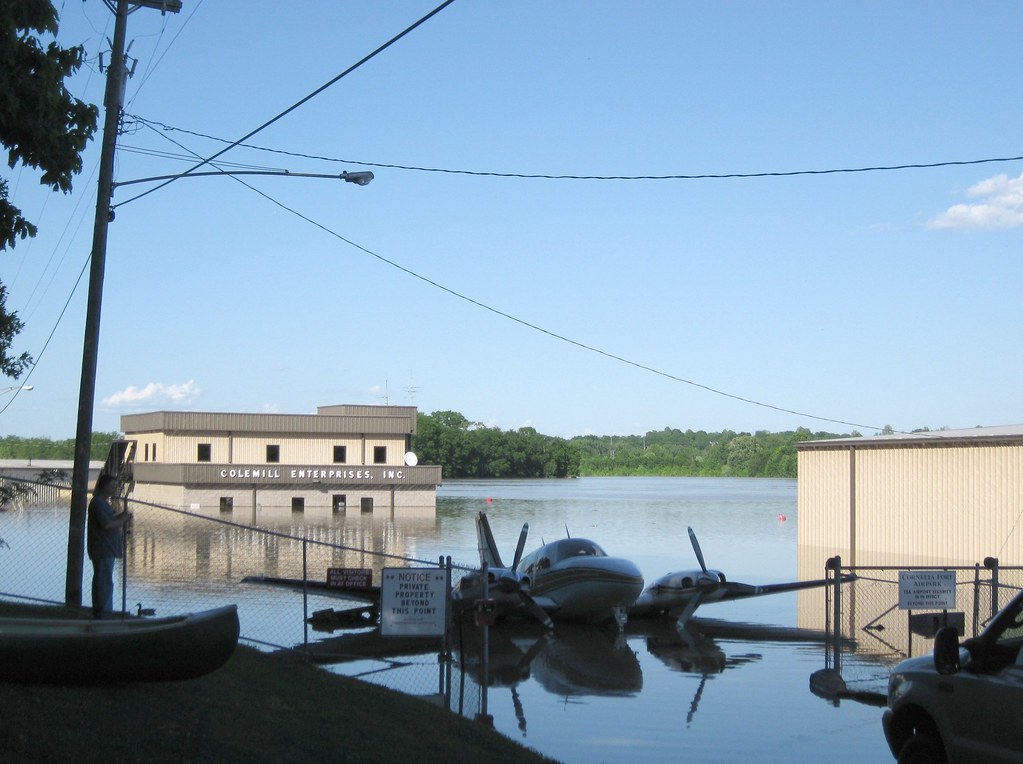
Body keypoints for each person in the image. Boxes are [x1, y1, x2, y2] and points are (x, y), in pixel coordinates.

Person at [87, 474, 132, 618]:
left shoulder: (102, 503)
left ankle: (102, 611)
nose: (115, 489)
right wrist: (123, 519)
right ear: (105, 486)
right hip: (103, 548)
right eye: (113, 486)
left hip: (107, 548)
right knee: (104, 581)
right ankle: (104, 613)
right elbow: (107, 524)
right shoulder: (98, 503)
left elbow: (110, 520)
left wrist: (121, 517)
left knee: (104, 579)